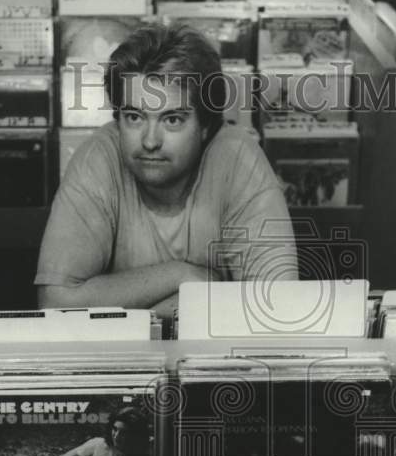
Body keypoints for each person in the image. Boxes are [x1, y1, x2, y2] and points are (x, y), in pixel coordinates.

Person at [36, 23, 298, 320]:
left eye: (172, 120)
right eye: (134, 117)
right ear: (117, 118)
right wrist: (184, 276)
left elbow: (278, 305)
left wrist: (157, 312)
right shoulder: (98, 158)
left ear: (206, 126)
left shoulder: (239, 160)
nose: (150, 141)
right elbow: (54, 302)